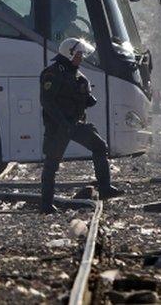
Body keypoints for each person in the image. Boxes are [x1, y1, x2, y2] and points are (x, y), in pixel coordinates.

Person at [39, 37, 124, 213]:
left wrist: (87, 99)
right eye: (79, 54)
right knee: (51, 164)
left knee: (100, 146)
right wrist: (63, 123)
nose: (81, 57)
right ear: (69, 54)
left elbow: (82, 97)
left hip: (75, 124)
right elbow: (47, 102)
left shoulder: (77, 74)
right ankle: (46, 205)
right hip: (58, 127)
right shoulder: (52, 73)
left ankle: (105, 189)